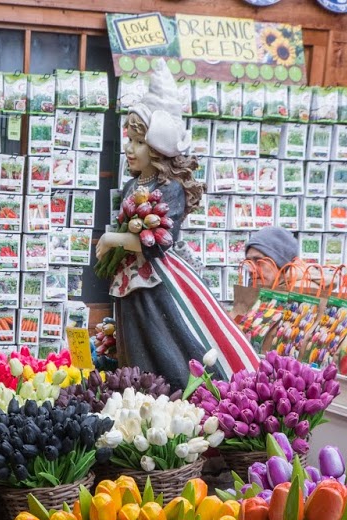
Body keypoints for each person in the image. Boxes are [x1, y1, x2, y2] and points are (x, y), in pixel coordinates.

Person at [94, 63, 261, 389]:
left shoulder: (168, 187)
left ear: (158, 147)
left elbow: (154, 242)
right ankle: (136, 391)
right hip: (131, 281)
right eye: (129, 139)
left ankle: (171, 394)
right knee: (131, 339)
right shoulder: (133, 186)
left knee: (162, 340)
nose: (129, 149)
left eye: (138, 142)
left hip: (159, 282)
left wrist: (112, 239)